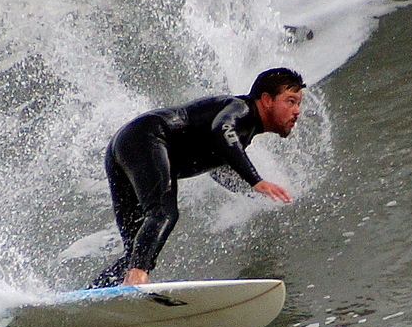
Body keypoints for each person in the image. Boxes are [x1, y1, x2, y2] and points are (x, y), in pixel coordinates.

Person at [88, 67, 305, 288]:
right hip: (146, 138)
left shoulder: (243, 132)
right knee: (163, 214)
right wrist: (255, 180)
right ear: (267, 99)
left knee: (138, 250)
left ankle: (91, 297)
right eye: (290, 101)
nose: (296, 111)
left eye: (298, 104)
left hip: (126, 145)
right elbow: (222, 130)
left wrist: (251, 193)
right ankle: (134, 282)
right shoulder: (239, 109)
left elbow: (218, 166)